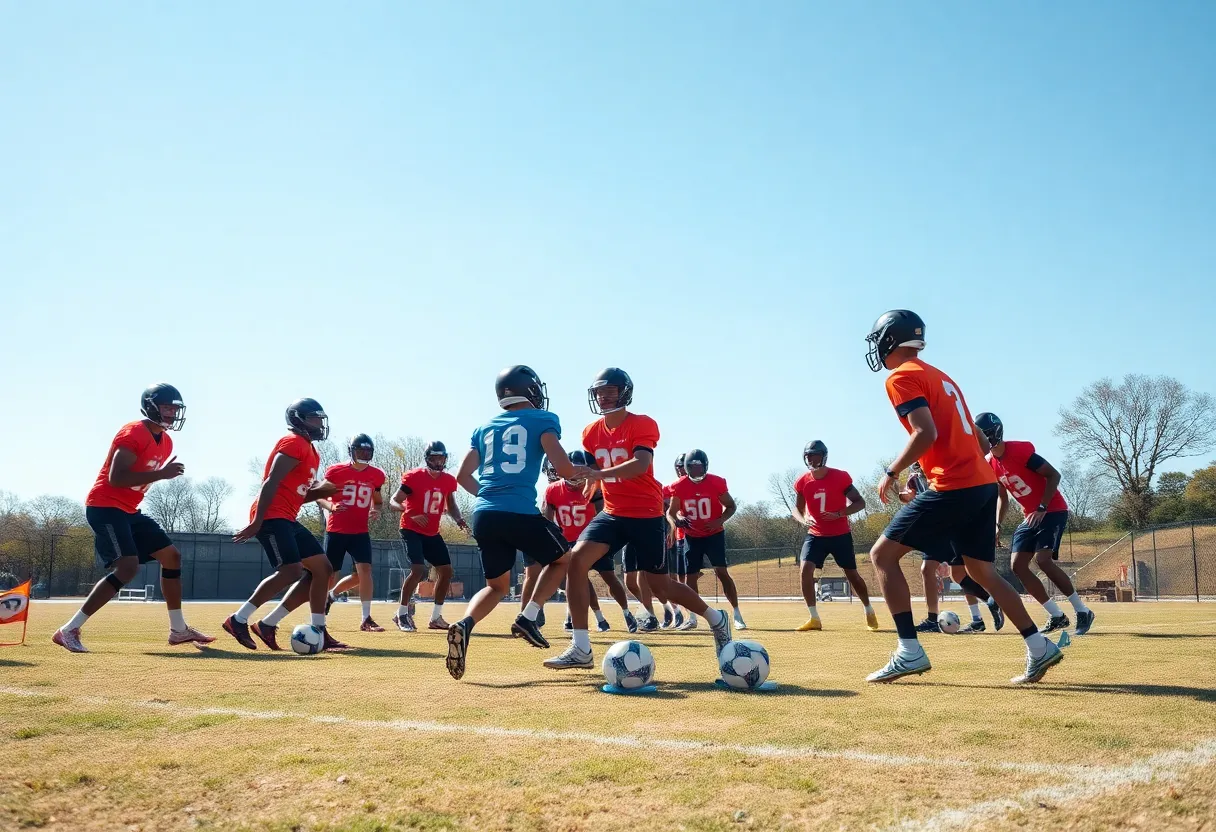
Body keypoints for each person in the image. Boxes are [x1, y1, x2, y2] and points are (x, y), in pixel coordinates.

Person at [863, 310, 1062, 685]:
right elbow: (982, 441)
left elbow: (925, 433)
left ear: (890, 339)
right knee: (981, 571)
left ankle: (909, 651)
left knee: (882, 556)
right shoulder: (941, 376)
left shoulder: (901, 376)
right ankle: (1039, 646)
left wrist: (892, 471)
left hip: (955, 485)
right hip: (983, 483)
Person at [545, 368, 732, 671]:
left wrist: (598, 475)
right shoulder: (590, 432)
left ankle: (716, 618)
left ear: (625, 392)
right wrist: (590, 482)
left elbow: (640, 464)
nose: (603, 397)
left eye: (610, 390)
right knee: (576, 559)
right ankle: (581, 647)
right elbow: (594, 470)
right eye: (599, 392)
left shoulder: (643, 423)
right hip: (613, 513)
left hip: (646, 513)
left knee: (661, 587)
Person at [444, 366, 591, 680]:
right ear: (531, 389)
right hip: (518, 511)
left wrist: (489, 495)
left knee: (496, 586)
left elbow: (462, 476)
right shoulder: (543, 420)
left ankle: (465, 626)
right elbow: (563, 467)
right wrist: (588, 475)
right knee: (564, 558)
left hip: (484, 512)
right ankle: (529, 615)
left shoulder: (484, 428)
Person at [54, 384, 213, 653]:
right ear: (151, 407)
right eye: (167, 407)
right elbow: (117, 478)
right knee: (128, 568)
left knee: (171, 556)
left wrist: (159, 473)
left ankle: (178, 630)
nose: (172, 413)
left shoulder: (166, 441)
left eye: (175, 408)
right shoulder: (133, 432)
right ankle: (68, 629)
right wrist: (161, 474)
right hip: (105, 506)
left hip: (128, 511)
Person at [226, 398, 343, 652]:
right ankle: (238, 620)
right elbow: (271, 481)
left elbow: (299, 494)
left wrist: (324, 493)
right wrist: (257, 521)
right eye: (314, 418)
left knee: (323, 569)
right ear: (298, 419)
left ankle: (301, 628)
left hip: (287, 516)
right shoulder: (293, 443)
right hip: (271, 514)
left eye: (320, 419)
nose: (319, 424)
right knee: (291, 570)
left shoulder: (312, 451)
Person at [977, 413, 1095, 636]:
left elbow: (1054, 475)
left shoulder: (1020, 451)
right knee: (1018, 566)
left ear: (993, 434)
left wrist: (1041, 507)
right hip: (1030, 514)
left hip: (1052, 510)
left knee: (1043, 560)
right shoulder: (991, 463)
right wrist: (997, 525)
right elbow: (1003, 497)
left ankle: (1083, 611)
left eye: (981, 435)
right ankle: (1056, 616)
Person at [540, 453, 637, 633]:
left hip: (592, 540)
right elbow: (547, 520)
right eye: (573, 469)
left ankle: (626, 612)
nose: (576, 475)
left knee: (609, 577)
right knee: (577, 580)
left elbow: (603, 515)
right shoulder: (553, 489)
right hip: (568, 542)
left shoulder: (594, 487)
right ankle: (596, 618)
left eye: (580, 470)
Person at [903, 462, 1004, 634]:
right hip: (938, 528)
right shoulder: (915, 478)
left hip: (951, 526)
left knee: (947, 572)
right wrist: (905, 496)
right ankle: (981, 612)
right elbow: (909, 496)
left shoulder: (943, 471)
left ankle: (935, 620)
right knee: (953, 573)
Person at [790, 440, 877, 632]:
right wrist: (804, 518)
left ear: (824, 456)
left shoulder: (840, 477)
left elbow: (859, 502)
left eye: (815, 455)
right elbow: (797, 508)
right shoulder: (802, 481)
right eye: (808, 456)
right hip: (816, 534)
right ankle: (814, 618)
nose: (812, 459)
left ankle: (868, 610)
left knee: (852, 575)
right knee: (805, 570)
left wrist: (839, 513)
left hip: (840, 534)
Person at [390, 441, 467, 632]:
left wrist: (459, 519)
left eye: (441, 458)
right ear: (427, 459)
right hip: (411, 528)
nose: (438, 462)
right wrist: (409, 512)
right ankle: (401, 614)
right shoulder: (414, 477)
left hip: (432, 532)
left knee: (446, 571)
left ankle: (435, 617)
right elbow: (394, 501)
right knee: (418, 570)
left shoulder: (448, 480)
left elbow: (451, 504)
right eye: (434, 458)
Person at [667, 449, 744, 630]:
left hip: (714, 534)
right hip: (692, 535)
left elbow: (731, 506)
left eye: (700, 467)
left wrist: (719, 520)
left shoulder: (717, 482)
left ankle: (737, 613)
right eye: (692, 468)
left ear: (706, 467)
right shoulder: (679, 485)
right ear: (687, 468)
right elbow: (670, 512)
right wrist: (676, 522)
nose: (696, 472)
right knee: (689, 578)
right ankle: (692, 617)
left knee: (722, 572)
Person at [319, 434, 386, 631]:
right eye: (360, 450)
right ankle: (320, 615)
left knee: (364, 572)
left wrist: (377, 509)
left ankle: (366, 618)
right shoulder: (336, 470)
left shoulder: (377, 475)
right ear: (351, 451)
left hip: (359, 531)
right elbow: (320, 497)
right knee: (331, 574)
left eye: (368, 451)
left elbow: (379, 500)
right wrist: (330, 507)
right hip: (337, 529)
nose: (364, 454)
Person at [660, 453, 689, 628]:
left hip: (695, 537)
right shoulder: (670, 489)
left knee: (684, 579)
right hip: (673, 537)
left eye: (683, 467)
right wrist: (668, 531)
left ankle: (686, 613)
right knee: (667, 579)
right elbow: (665, 513)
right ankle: (673, 610)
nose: (682, 471)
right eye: (679, 467)